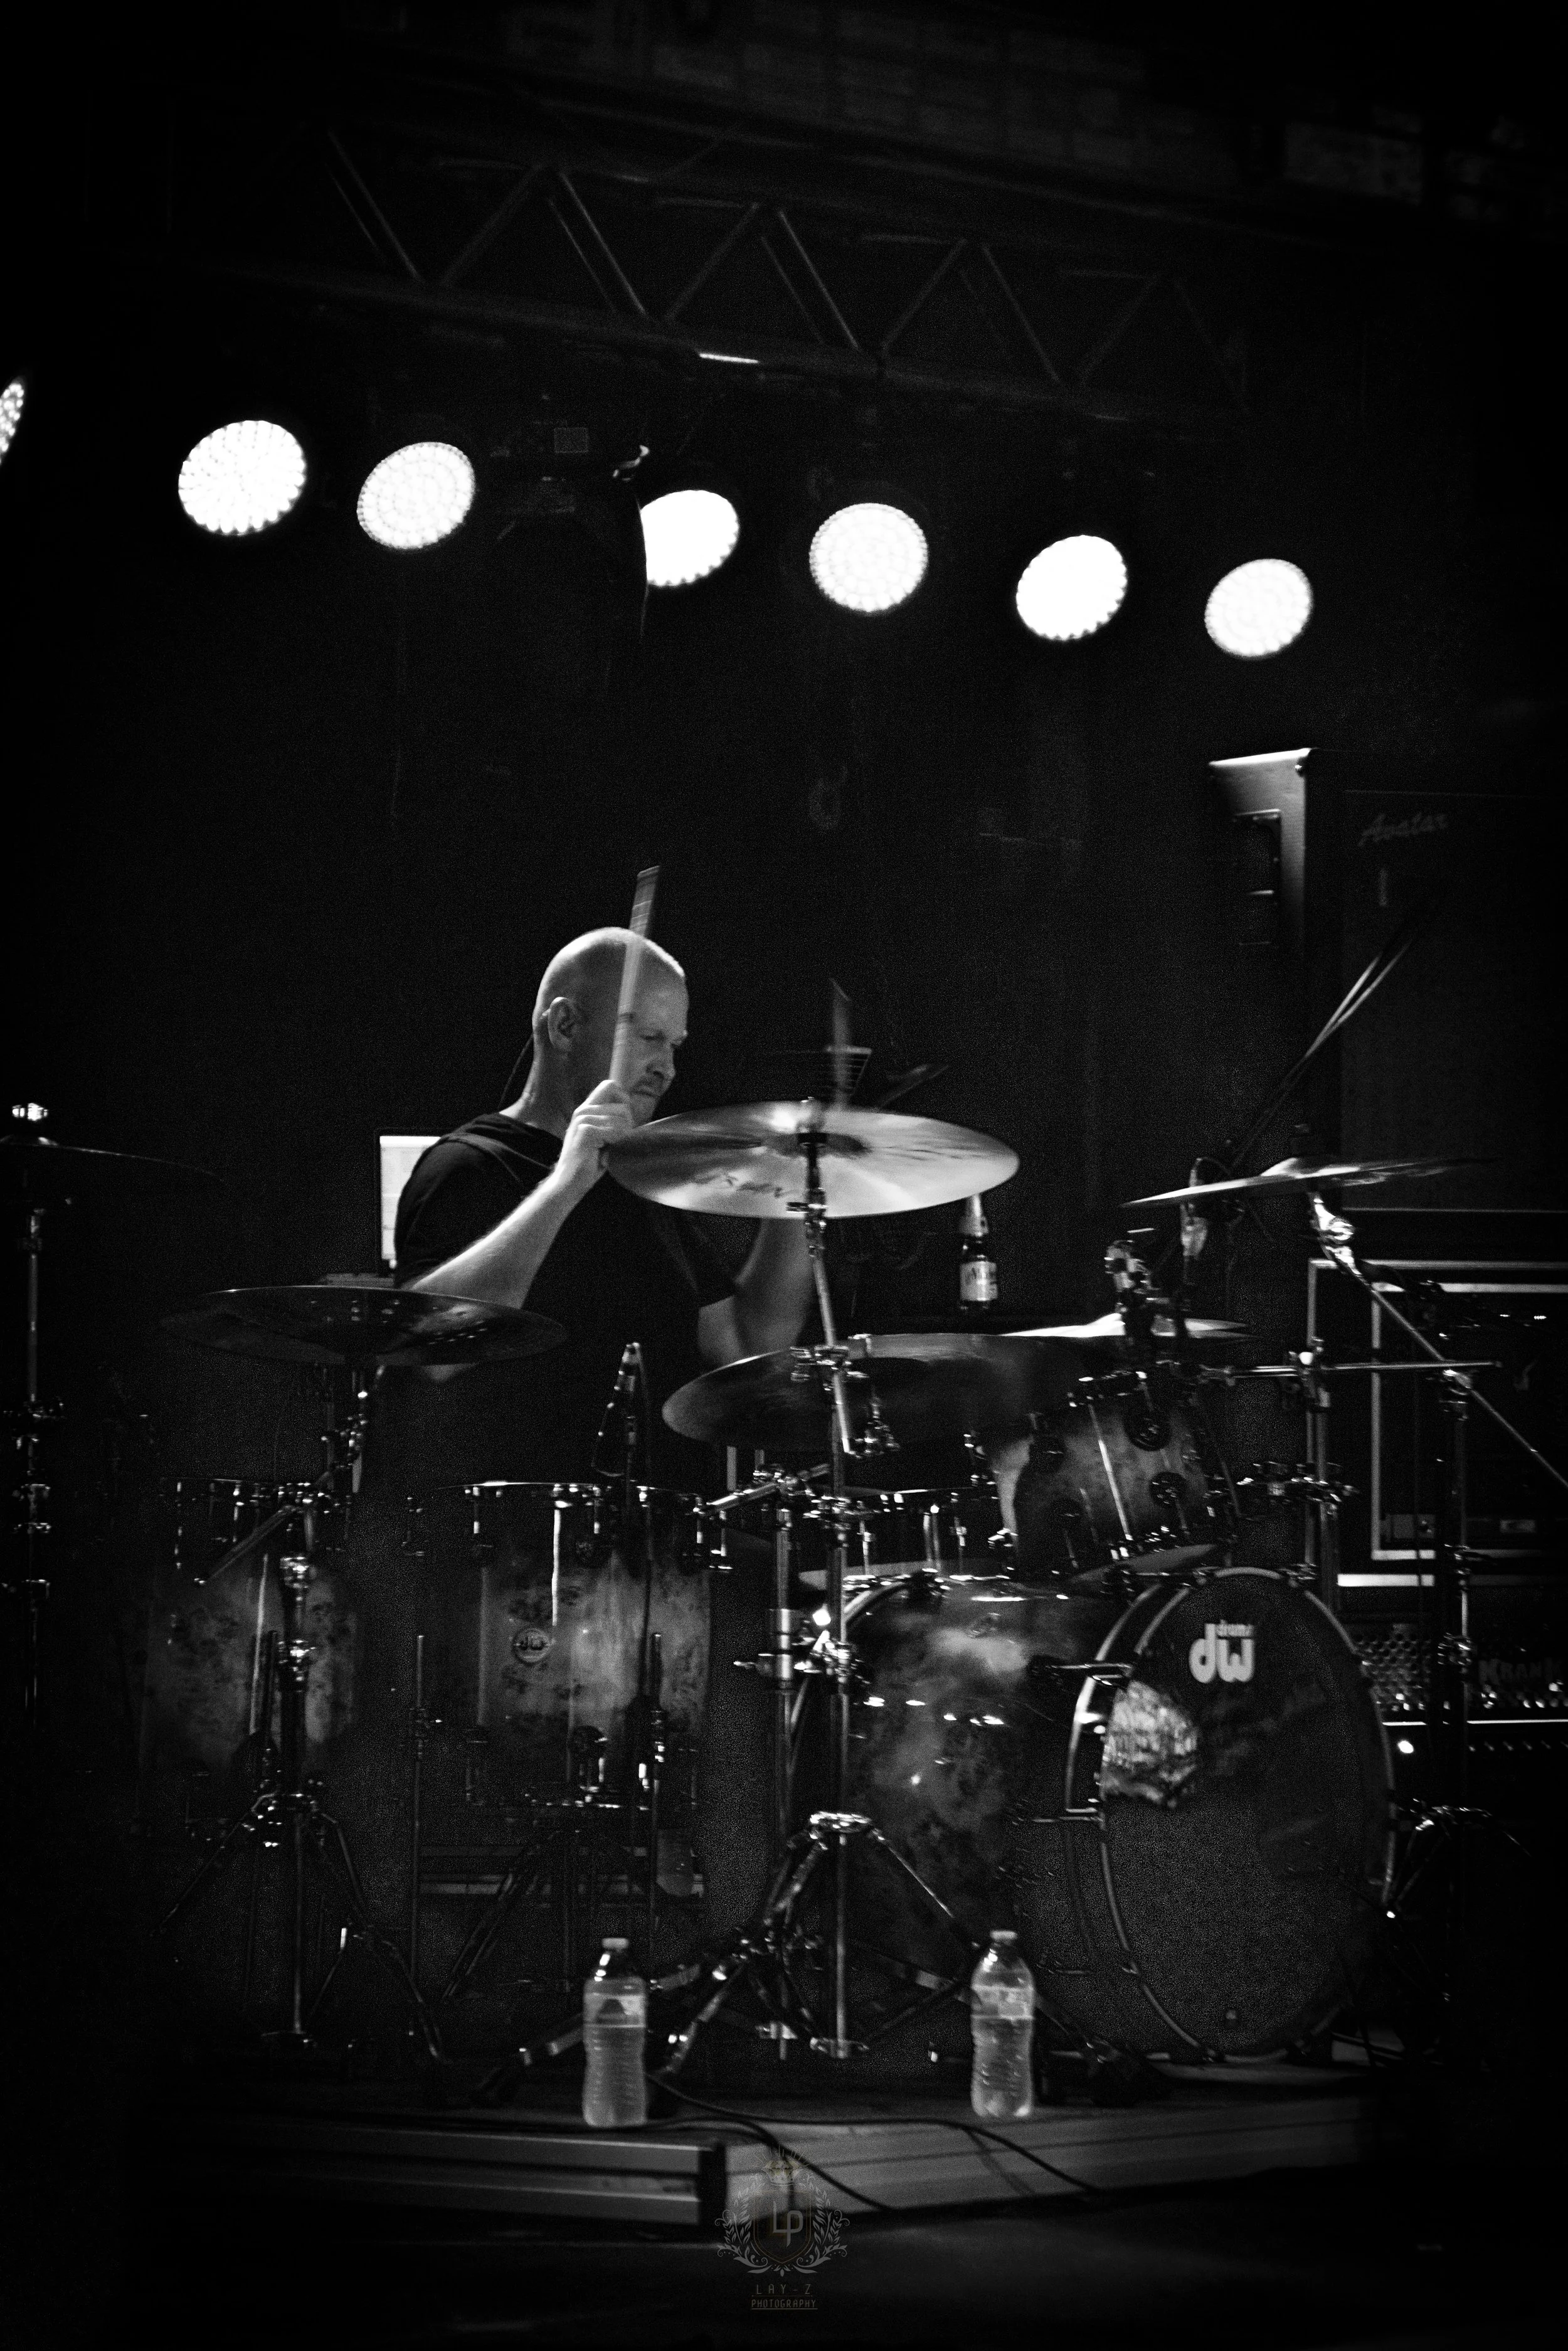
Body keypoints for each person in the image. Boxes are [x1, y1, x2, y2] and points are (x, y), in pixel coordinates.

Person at [381, 928, 813, 1490]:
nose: (667, 1068)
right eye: (650, 1037)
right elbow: (429, 1352)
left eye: (675, 1045)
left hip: (653, 1547)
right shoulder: (468, 1166)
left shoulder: (640, 1184)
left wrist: (796, 1192)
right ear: (565, 1027)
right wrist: (565, 1186)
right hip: (512, 1550)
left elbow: (747, 1343)